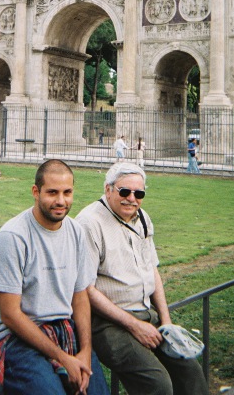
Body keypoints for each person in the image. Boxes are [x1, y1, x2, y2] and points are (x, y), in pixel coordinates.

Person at [76, 162, 209, 395]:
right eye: (124, 192)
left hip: (147, 314)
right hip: (108, 322)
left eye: (139, 193)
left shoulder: (143, 218)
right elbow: (86, 288)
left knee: (191, 374)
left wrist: (166, 322)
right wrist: (135, 326)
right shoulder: (89, 222)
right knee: (157, 385)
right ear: (108, 189)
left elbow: (152, 270)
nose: (132, 199)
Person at [0, 159, 110, 395]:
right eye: (52, 192)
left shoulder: (75, 232)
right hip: (16, 337)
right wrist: (63, 358)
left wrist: (84, 351)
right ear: (35, 191)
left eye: (67, 192)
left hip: (62, 328)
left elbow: (80, 296)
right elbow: (10, 315)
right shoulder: (12, 237)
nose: (61, 201)